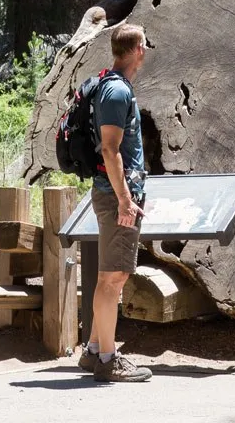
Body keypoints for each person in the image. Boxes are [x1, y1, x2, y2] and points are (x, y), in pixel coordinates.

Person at [77, 21, 152, 382]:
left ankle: (93, 352)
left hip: (115, 194)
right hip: (115, 196)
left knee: (110, 276)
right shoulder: (117, 92)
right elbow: (110, 149)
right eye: (145, 45)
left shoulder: (115, 87)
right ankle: (109, 360)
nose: (146, 51)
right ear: (136, 48)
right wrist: (125, 199)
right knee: (113, 278)